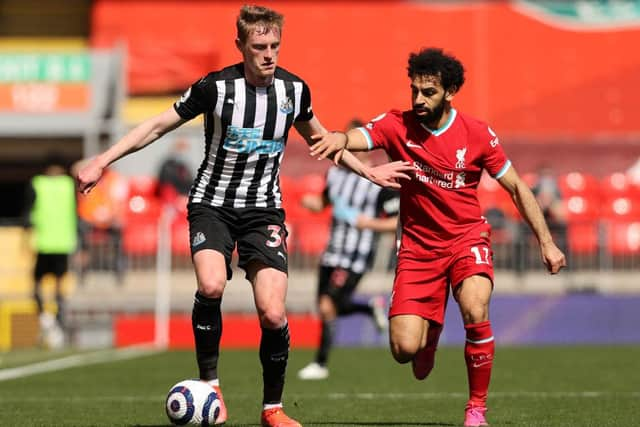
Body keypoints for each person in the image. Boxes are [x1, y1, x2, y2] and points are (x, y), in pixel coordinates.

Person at [75, 5, 409, 427]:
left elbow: (324, 142)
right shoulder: (215, 89)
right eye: (259, 47)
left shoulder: (294, 91)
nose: (269, 55)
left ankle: (273, 409)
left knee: (272, 313)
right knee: (212, 284)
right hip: (212, 205)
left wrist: (369, 170)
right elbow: (158, 125)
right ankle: (211, 386)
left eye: (274, 46)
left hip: (263, 211)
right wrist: (103, 160)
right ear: (241, 46)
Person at [309, 47, 567, 426]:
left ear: (450, 92)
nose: (418, 99)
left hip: (467, 240)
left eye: (428, 92)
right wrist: (338, 139)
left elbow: (515, 187)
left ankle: (476, 408)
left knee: (476, 309)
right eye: (414, 90)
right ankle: (429, 336)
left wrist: (546, 241)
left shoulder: (477, 134)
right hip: (417, 250)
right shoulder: (399, 124)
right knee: (403, 349)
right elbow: (361, 135)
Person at [297, 120, 400, 380]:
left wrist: (367, 223)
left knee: (328, 304)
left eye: (357, 148)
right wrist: (313, 203)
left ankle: (320, 364)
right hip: (332, 251)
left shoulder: (376, 180)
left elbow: (397, 222)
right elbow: (325, 201)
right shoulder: (334, 174)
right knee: (326, 307)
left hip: (355, 256)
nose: (354, 153)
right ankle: (369, 309)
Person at [24, 153, 78, 348]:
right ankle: (53, 322)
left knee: (42, 285)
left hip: (47, 242)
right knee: (55, 286)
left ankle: (50, 321)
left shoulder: (38, 183)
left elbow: (27, 212)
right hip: (60, 242)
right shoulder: (68, 184)